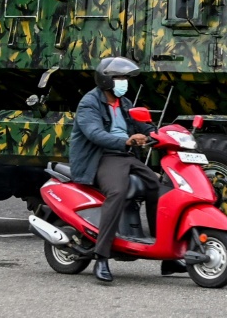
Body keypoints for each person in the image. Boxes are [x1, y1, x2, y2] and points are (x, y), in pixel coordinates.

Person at [68, 57, 185, 282]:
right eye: (120, 78)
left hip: (125, 155)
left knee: (157, 187)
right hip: (100, 157)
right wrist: (128, 141)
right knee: (117, 192)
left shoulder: (125, 103)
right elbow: (94, 134)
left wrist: (163, 135)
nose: (124, 82)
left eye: (125, 78)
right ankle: (101, 257)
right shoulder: (89, 103)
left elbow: (145, 126)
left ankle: (166, 255)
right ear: (106, 80)